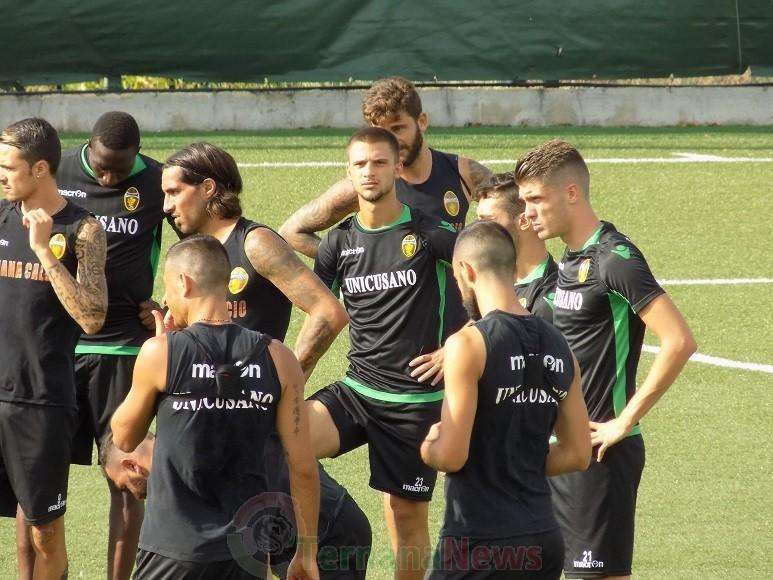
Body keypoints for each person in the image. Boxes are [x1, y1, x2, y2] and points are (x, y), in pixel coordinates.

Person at [515, 139, 697, 579]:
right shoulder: (568, 262)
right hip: (561, 450)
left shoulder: (614, 259)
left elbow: (678, 340)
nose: (528, 213)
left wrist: (624, 420)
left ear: (572, 193)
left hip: (600, 455)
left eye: (536, 199)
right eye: (523, 202)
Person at [110, 234, 320, 579]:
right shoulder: (279, 359)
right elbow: (303, 468)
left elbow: (124, 436)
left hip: (173, 547)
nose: (165, 299)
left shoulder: (162, 353)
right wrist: (307, 553)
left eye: (168, 287)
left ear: (184, 282)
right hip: (247, 554)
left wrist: (160, 348)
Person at [308, 127, 459, 580]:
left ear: (396, 168)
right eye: (359, 164)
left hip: (413, 405)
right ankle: (331, 532)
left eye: (378, 162)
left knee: (405, 519)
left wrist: (457, 345)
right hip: (356, 392)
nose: (369, 172)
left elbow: (499, 286)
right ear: (348, 171)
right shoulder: (337, 244)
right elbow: (321, 314)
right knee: (280, 441)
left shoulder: (430, 232)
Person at [26, 111, 168, 580]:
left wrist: (168, 306)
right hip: (57, 348)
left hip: (125, 350)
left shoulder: (158, 182)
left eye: (120, 170)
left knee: (128, 479)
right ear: (88, 147)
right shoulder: (55, 171)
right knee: (37, 482)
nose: (109, 176)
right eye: (103, 167)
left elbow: (200, 249)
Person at [279, 77, 492, 377]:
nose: (390, 141)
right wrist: (366, 261)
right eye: (381, 132)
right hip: (393, 346)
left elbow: (502, 253)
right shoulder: (367, 185)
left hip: (458, 331)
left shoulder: (465, 174)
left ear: (422, 121)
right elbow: (293, 231)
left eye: (398, 128)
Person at [420, 220, 590, 578]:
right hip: (543, 539)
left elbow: (451, 455)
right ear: (513, 269)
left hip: (481, 541)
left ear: (465, 271)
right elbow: (577, 453)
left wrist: (429, 445)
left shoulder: (467, 344)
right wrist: (517, 461)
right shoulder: (561, 347)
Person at [0, 117, 108, 579]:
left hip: (40, 401)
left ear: (40, 168)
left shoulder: (83, 230)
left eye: (9, 166)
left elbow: (92, 317)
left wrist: (44, 251)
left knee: (44, 532)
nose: (1, 175)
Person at [160, 142, 348, 379]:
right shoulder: (193, 251)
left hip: (251, 406)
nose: (166, 206)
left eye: (174, 192)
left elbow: (328, 312)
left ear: (207, 187)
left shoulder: (255, 243)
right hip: (203, 398)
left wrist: (284, 380)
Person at [101, 431, 372, 579]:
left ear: (132, 465)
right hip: (314, 533)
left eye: (127, 486)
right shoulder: (185, 442)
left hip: (328, 534)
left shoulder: (189, 462)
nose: (136, 497)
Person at [476, 171, 558, 322]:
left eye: (488, 220)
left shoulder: (551, 299)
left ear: (525, 221)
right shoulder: (483, 283)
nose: (478, 230)